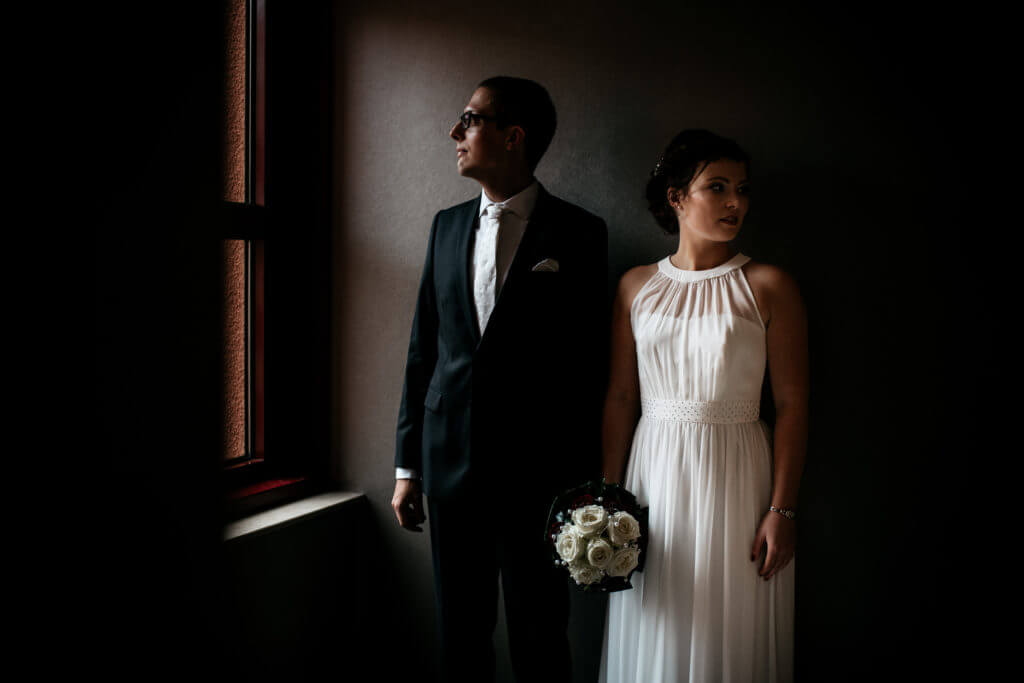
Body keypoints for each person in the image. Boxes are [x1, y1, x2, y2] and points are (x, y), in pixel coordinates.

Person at [392, 76, 608, 682]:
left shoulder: (580, 233)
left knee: (541, 634)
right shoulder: (445, 226)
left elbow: (589, 363)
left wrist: (585, 479)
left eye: (470, 119)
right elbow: (422, 350)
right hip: (448, 465)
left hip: (538, 473)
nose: (455, 133)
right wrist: (408, 467)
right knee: (460, 633)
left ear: (513, 136)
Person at [599, 130, 808, 682]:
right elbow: (621, 397)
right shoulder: (635, 287)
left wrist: (782, 510)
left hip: (738, 477)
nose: (735, 202)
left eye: (742, 189)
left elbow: (791, 403)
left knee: (730, 628)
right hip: (655, 474)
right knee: (660, 619)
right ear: (676, 197)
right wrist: (608, 497)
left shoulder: (767, 285)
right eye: (716, 187)